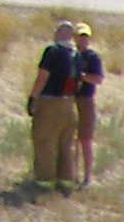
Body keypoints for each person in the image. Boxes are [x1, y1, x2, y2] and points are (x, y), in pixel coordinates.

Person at [27, 20, 83, 191]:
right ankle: (66, 180)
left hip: (50, 102)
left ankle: (44, 180)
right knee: (66, 143)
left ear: (59, 34)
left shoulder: (52, 51)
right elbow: (79, 82)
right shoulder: (77, 55)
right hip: (70, 104)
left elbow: (43, 76)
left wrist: (33, 97)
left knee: (45, 141)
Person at [72, 23, 104, 186]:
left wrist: (82, 76)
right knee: (71, 140)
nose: (83, 40)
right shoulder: (70, 55)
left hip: (85, 100)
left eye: (85, 37)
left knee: (85, 139)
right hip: (70, 100)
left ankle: (87, 176)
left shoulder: (93, 58)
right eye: (80, 36)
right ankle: (72, 174)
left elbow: (98, 79)